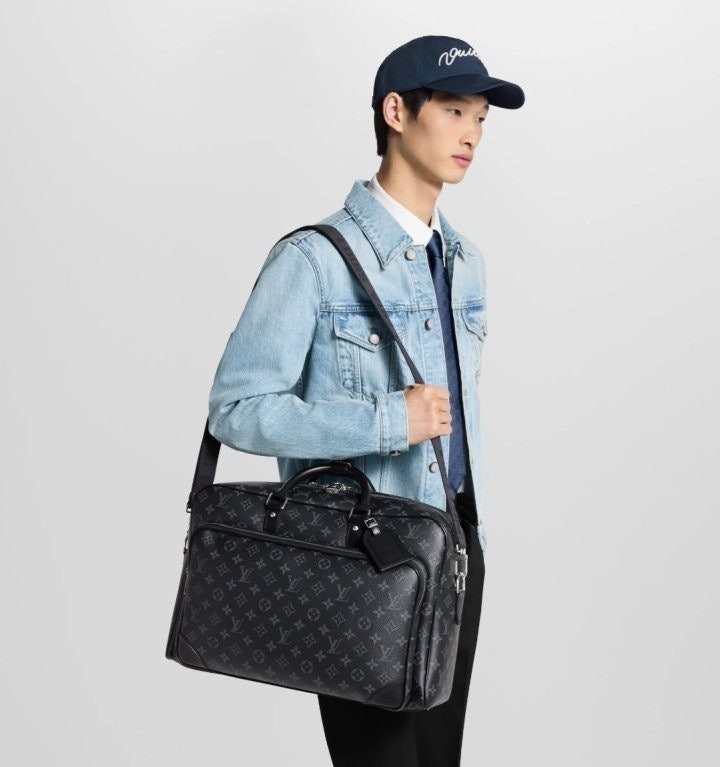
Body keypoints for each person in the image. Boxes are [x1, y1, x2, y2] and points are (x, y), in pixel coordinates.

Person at [207, 34, 524, 767]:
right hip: (360, 557)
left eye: (481, 118)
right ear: (396, 112)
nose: (473, 134)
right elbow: (237, 407)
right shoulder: (314, 261)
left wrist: (466, 535)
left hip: (454, 550)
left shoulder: (466, 263)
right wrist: (386, 420)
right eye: (454, 111)